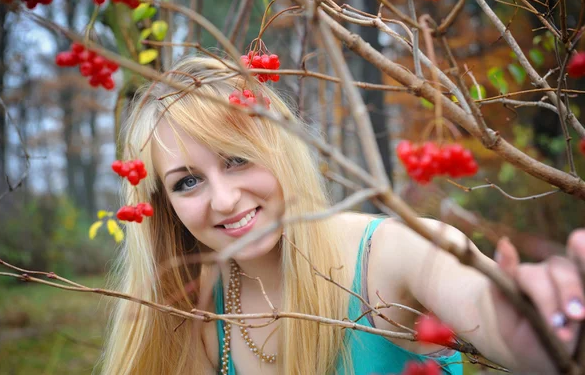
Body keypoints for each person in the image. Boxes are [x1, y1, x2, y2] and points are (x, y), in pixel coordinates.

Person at [99, 55, 585, 375]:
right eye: (188, 181)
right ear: (164, 207)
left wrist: (525, 322)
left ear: (281, 151)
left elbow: (476, 297)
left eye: (236, 159)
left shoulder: (392, 252)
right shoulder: (197, 310)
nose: (223, 200)